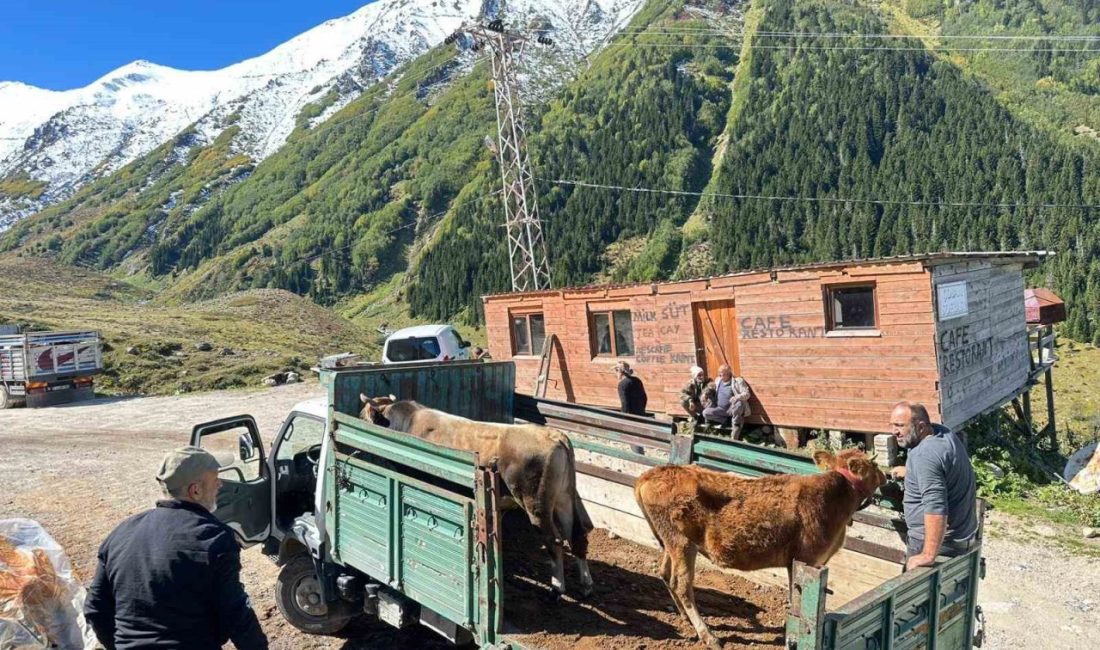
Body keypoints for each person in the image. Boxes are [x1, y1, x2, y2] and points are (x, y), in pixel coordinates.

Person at [85, 447, 268, 650]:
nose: (220, 484)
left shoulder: (122, 532)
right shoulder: (214, 537)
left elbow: (95, 608)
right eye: (215, 479)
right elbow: (235, 613)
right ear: (195, 490)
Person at [889, 401, 978, 571]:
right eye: (893, 425)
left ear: (921, 427)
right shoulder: (942, 433)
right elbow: (941, 468)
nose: (894, 431)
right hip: (961, 535)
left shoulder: (926, 456)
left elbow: (936, 508)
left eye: (900, 425)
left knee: (913, 596)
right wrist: (911, 471)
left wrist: (928, 554)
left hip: (938, 543)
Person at [702, 364, 752, 439]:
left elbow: (747, 394)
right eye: (720, 374)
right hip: (720, 409)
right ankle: (725, 420)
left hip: (732, 409)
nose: (721, 376)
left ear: (728, 374)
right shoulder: (718, 380)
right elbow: (710, 387)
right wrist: (705, 393)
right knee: (705, 413)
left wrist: (737, 397)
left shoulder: (738, 381)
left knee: (739, 403)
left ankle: (736, 425)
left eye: (722, 375)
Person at [613, 361, 648, 453]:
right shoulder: (637, 380)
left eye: (616, 371)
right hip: (640, 413)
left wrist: (624, 417)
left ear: (619, 371)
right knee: (639, 438)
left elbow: (624, 403)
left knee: (633, 438)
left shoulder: (622, 384)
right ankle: (640, 454)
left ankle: (638, 457)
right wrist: (642, 410)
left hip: (631, 416)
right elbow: (644, 397)